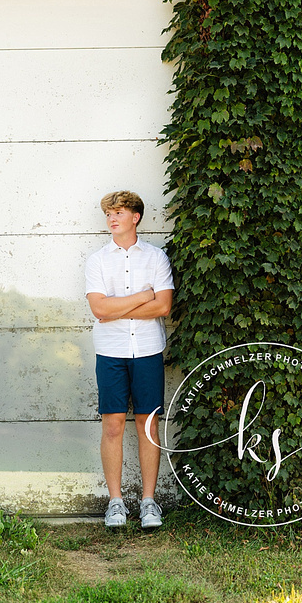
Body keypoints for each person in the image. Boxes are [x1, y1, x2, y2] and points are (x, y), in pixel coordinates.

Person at [85, 190, 174, 528]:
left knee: (147, 424)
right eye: (108, 213)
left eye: (119, 212)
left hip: (148, 349)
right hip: (110, 352)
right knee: (112, 424)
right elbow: (99, 309)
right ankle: (116, 502)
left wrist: (116, 308)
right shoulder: (98, 261)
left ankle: (149, 502)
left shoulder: (156, 258)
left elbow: (163, 306)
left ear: (135, 217)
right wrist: (141, 297)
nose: (112, 218)